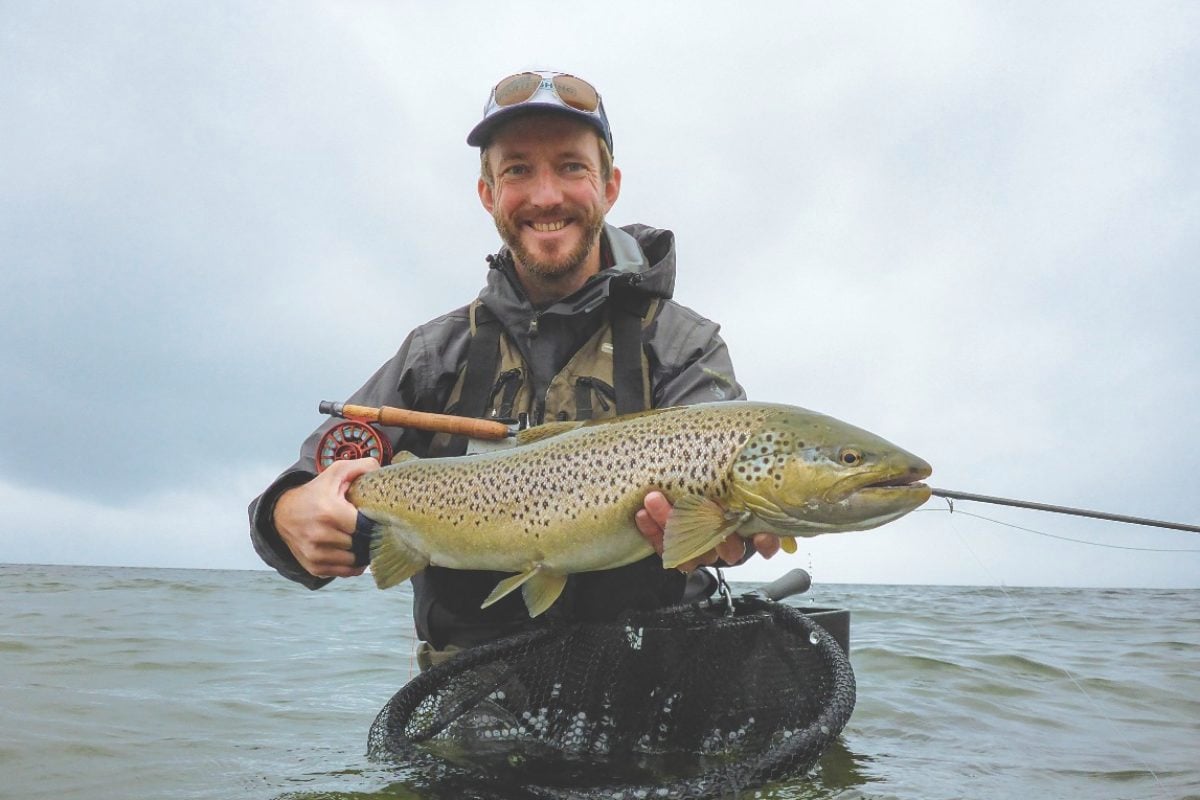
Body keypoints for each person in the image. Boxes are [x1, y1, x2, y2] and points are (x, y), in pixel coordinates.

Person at [248, 70, 780, 668]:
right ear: (488, 195)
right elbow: (305, 484)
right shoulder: (435, 353)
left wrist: (725, 536)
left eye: (572, 167)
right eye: (518, 170)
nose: (546, 196)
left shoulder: (683, 345)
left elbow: (728, 457)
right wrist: (288, 515)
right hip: (475, 697)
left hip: (660, 672)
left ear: (610, 187)